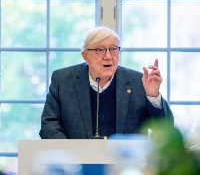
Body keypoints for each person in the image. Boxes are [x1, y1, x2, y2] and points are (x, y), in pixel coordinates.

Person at [39, 26, 174, 139]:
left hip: (125, 165)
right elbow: (49, 124)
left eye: (114, 49)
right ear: (85, 56)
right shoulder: (63, 80)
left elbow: (165, 129)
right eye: (100, 50)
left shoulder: (138, 82)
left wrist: (153, 96)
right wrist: (70, 154)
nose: (108, 56)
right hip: (78, 166)